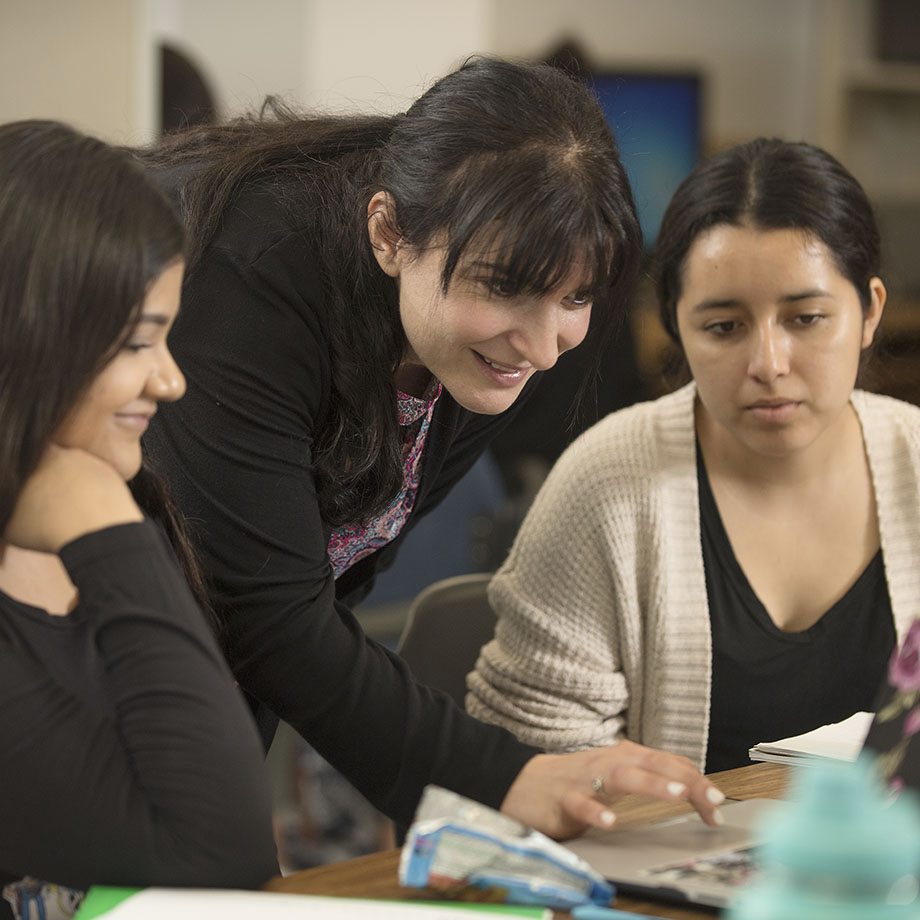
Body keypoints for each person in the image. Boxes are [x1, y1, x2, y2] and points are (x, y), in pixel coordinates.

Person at [140, 55, 726, 838]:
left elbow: (327, 576)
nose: (545, 347)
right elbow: (268, 613)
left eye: (576, 297)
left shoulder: (493, 341)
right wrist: (500, 778)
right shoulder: (252, 276)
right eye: (503, 288)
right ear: (387, 232)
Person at [468, 137, 920, 774]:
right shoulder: (608, 484)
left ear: (869, 312)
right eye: (724, 327)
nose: (768, 364)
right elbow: (523, 772)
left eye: (807, 318)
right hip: (650, 866)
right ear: (676, 326)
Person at [0, 120, 278, 920]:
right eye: (136, 342)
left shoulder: (131, 518)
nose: (170, 380)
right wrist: (99, 522)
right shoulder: (105, 527)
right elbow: (221, 855)